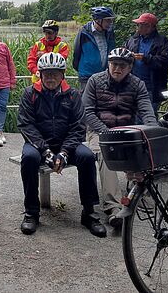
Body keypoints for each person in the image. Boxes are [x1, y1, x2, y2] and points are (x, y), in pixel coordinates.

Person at [18, 52, 106, 237]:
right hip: (39, 144)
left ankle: (89, 211)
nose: (51, 78)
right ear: (40, 74)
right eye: (47, 73)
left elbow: (78, 127)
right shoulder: (29, 94)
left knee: (88, 156)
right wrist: (46, 152)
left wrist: (65, 152)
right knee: (29, 158)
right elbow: (26, 125)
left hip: (67, 143)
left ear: (62, 75)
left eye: (55, 73)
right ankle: (31, 212)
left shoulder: (73, 95)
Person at [82, 47, 158, 228]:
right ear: (108, 64)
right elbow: (86, 112)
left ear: (130, 67)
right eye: (114, 64)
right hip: (99, 130)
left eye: (123, 65)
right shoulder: (95, 81)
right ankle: (114, 207)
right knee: (104, 154)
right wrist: (104, 131)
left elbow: (147, 111)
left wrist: (153, 132)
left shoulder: (137, 84)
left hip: (126, 130)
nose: (118, 68)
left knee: (144, 146)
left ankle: (140, 194)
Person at [124, 12, 168, 113]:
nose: (137, 27)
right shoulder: (133, 40)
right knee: (132, 115)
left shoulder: (163, 42)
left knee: (149, 116)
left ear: (149, 26)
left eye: (140, 25)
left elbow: (164, 62)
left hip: (152, 87)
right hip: (132, 85)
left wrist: (146, 58)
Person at [72, 6, 116, 92]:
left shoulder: (110, 33)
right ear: (98, 20)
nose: (110, 23)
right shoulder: (83, 33)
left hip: (104, 75)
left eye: (111, 20)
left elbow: (111, 52)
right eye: (107, 20)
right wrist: (83, 70)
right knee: (85, 103)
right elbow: (76, 53)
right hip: (87, 76)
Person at [26, 19, 69, 84]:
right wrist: (36, 71)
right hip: (38, 81)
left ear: (56, 33)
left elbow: (59, 61)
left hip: (56, 81)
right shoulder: (38, 45)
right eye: (45, 32)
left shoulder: (62, 46)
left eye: (50, 33)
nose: (47, 35)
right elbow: (31, 60)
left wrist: (44, 55)